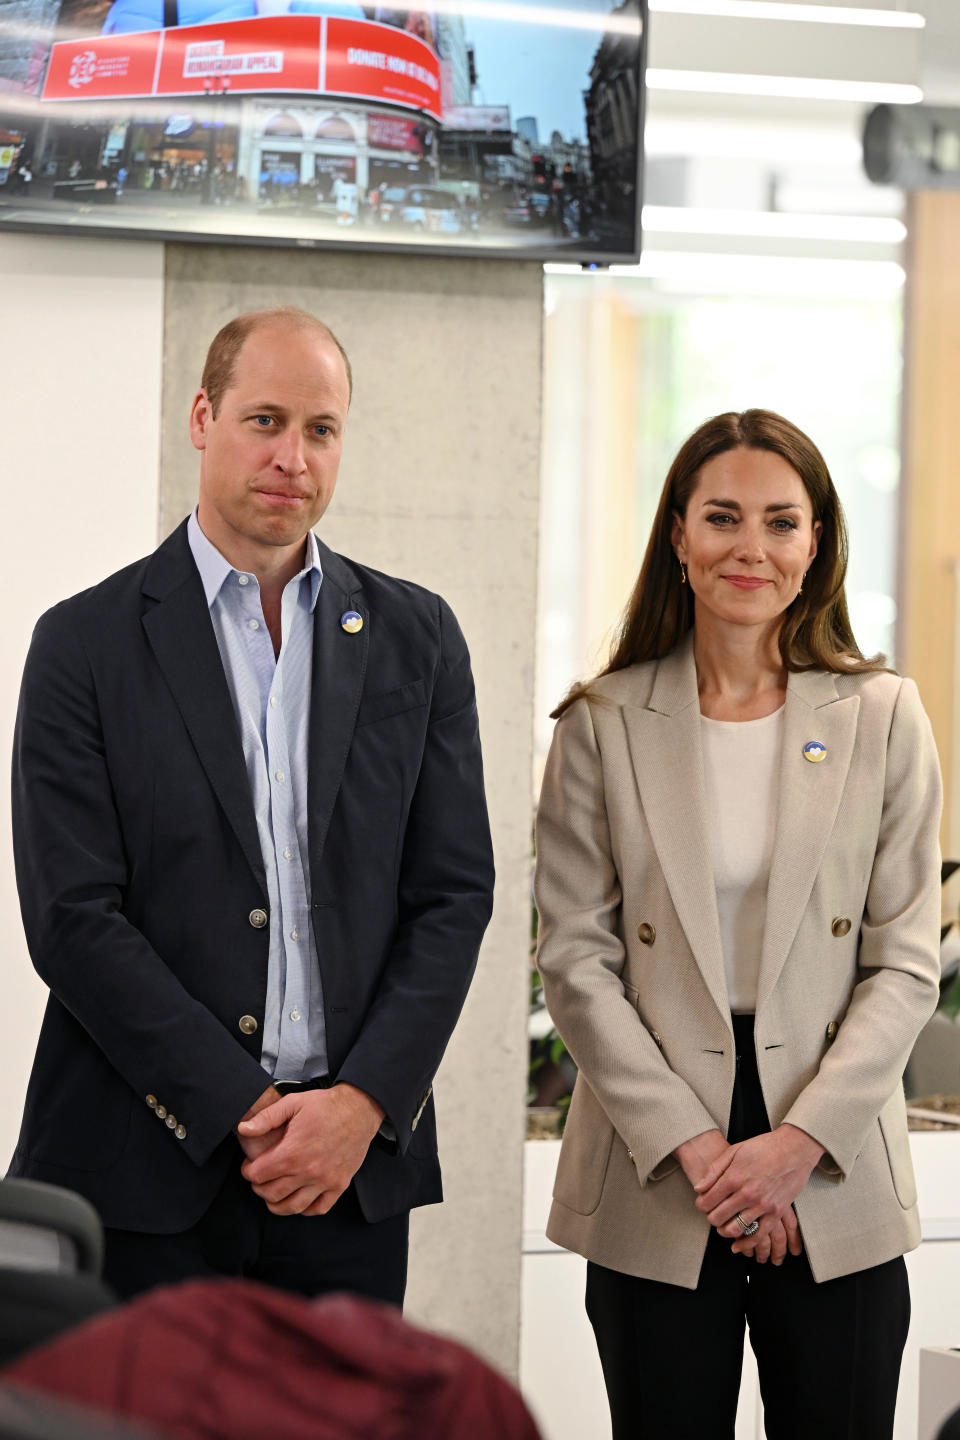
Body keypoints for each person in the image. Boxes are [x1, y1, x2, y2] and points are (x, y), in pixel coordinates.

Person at [10, 306, 494, 1307]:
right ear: (202, 416)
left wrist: (358, 1105)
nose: (292, 457)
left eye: (321, 430)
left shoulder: (420, 637)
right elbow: (72, 918)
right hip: (141, 1174)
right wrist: (245, 1108)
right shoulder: (84, 644)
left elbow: (453, 895)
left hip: (346, 1179)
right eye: (264, 420)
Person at [534, 409, 941, 1439]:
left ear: (816, 544)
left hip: (833, 1150)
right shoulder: (602, 723)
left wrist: (795, 1143)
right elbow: (575, 960)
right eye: (721, 518)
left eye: (779, 522)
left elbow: (902, 963)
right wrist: (703, 1152)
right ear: (678, 535)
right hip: (658, 1153)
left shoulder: (885, 717)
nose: (749, 549)